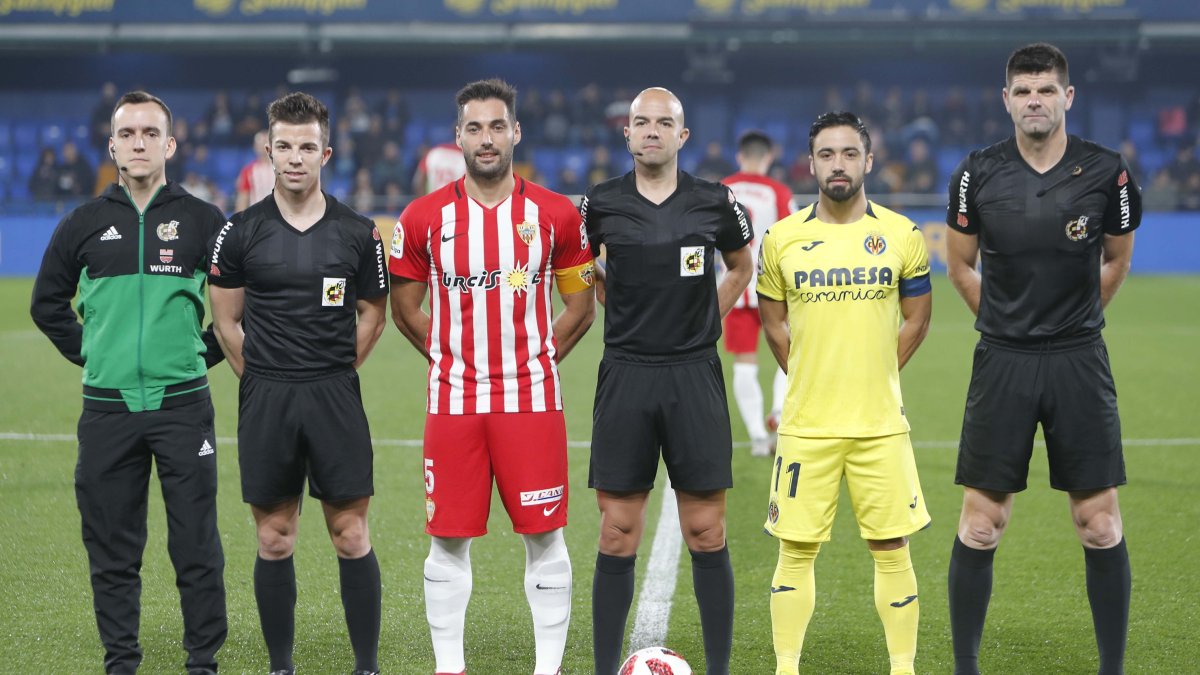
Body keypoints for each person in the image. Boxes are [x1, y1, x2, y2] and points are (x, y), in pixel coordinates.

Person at [944, 43, 1140, 675]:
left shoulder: (1107, 170)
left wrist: (1079, 319)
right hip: (1002, 360)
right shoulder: (977, 172)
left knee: (1099, 523)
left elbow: (1116, 258)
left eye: (1046, 90)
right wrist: (1004, 323)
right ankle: (966, 667)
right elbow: (959, 264)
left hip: (1080, 359)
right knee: (981, 524)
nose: (1035, 101)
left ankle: (1112, 666)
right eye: (1023, 91)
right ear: (1006, 100)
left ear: (1067, 97)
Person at [390, 78, 595, 675]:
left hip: (531, 401)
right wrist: (453, 357)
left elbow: (580, 304)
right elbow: (406, 309)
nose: (487, 138)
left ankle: (547, 668)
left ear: (516, 132)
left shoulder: (555, 214)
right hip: (453, 402)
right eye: (474, 128)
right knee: (448, 538)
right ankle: (448, 666)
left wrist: (532, 357)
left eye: (497, 126)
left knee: (545, 536)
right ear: (458, 137)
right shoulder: (422, 217)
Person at [30, 90, 227, 675]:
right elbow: (47, 305)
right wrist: (92, 353)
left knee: (196, 546)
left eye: (150, 133)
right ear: (112, 144)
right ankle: (121, 661)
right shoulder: (83, 224)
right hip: (107, 410)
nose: (138, 143)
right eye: (127, 134)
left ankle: (202, 663)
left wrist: (199, 354)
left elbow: (240, 309)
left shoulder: (202, 220)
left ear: (169, 144)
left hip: (183, 406)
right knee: (113, 548)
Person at [208, 92, 388, 675]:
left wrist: (333, 370)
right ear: (268, 150)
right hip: (267, 398)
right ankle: (281, 666)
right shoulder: (239, 231)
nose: (294, 157)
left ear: (325, 153)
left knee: (350, 533)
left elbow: (372, 314)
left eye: (306, 147)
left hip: (334, 394)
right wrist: (261, 377)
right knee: (275, 538)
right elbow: (226, 321)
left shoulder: (358, 232)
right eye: (283, 146)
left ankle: (366, 666)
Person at [583, 87, 753, 675]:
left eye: (664, 122)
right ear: (626, 134)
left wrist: (709, 317)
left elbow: (741, 265)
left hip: (693, 374)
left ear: (683, 137)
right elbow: (584, 273)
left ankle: (719, 668)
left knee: (706, 530)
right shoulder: (600, 204)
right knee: (617, 532)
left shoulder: (714, 201)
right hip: (626, 374)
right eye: (640, 122)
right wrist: (612, 296)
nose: (651, 130)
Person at [757, 111, 932, 675]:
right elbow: (774, 322)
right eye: (827, 155)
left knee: (892, 548)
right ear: (810, 164)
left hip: (881, 423)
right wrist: (807, 374)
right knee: (796, 549)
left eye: (849, 154)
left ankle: (902, 667)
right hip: (807, 423)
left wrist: (877, 370)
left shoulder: (902, 235)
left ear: (868, 161)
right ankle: (788, 667)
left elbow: (917, 318)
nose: (838, 165)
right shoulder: (782, 238)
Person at [720, 129, 797, 456]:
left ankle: (756, 437)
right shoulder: (779, 191)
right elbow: (793, 238)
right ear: (768, 158)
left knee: (744, 364)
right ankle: (779, 414)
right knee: (790, 355)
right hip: (773, 287)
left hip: (734, 288)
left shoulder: (722, 189)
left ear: (740, 156)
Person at [234, 129, 275, 213]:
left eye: (266, 141)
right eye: (260, 142)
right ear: (255, 146)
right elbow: (242, 201)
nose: (263, 145)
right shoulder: (248, 171)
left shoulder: (283, 168)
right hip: (258, 219)